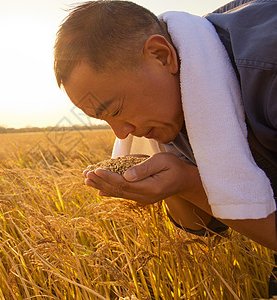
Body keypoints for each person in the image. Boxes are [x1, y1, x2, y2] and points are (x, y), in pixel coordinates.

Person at [53, 0, 276, 264]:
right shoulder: (179, 90)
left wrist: (189, 182)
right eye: (102, 120)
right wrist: (177, 184)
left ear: (161, 55)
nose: (122, 134)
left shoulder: (266, 71)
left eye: (114, 110)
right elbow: (201, 224)